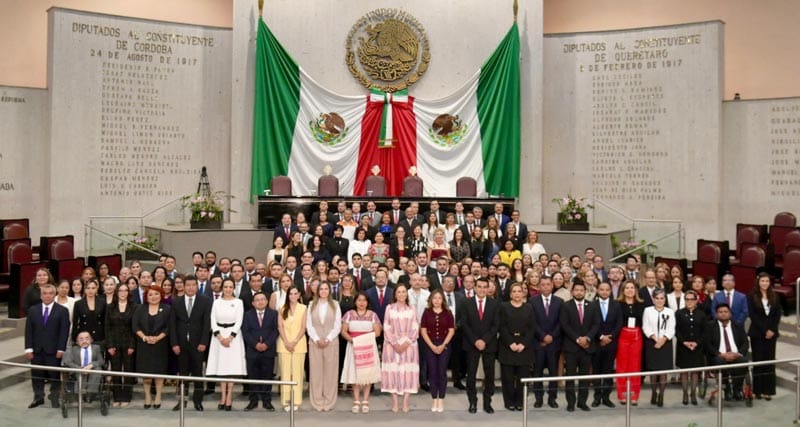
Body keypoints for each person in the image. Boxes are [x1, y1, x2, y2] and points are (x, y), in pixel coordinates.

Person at [170, 275, 212, 412]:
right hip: (181, 345)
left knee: (198, 374)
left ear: (196, 286)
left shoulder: (205, 301)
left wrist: (204, 342)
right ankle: (182, 401)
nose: (190, 288)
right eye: (188, 285)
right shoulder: (176, 301)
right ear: (183, 286)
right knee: (182, 375)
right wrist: (174, 343)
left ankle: (198, 401)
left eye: (193, 285)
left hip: (198, 344)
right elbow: (172, 325)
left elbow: (207, 324)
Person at [25, 283, 70, 409]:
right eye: (45, 293)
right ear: (41, 295)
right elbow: (28, 331)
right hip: (36, 349)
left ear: (54, 294)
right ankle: (38, 397)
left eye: (50, 293)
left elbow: (64, 331)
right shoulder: (33, 310)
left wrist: (61, 348)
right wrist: (28, 348)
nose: (47, 296)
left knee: (54, 375)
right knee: (36, 374)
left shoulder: (62, 311)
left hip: (54, 350)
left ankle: (54, 397)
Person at [207, 278, 247, 411]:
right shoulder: (216, 302)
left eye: (231, 287)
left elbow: (239, 321)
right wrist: (219, 336)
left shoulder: (238, 302)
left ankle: (229, 395)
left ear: (233, 288)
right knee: (221, 367)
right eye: (226, 287)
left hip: (233, 337)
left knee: (231, 368)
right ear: (222, 288)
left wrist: (230, 337)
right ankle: (222, 396)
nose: (228, 289)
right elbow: (212, 319)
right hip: (218, 338)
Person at [560, 281, 600, 412]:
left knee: (584, 378)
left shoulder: (592, 306)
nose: (578, 292)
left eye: (581, 290)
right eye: (576, 290)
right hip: (571, 347)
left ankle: (582, 402)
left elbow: (596, 324)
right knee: (570, 376)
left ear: (585, 292)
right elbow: (565, 325)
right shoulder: (566, 306)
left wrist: (587, 338)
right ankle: (570, 403)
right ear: (572, 292)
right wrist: (577, 339)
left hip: (587, 347)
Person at [340, 292, 382, 414]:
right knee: (355, 372)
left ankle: (365, 400)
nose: (362, 303)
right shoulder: (349, 314)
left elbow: (378, 332)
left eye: (364, 300)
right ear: (355, 302)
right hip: (353, 346)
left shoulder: (373, 315)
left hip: (368, 346)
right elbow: (343, 331)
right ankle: (356, 400)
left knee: (367, 373)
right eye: (359, 300)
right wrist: (353, 340)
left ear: (367, 302)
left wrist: (364, 340)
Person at [463, 277, 500, 414]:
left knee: (489, 375)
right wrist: (475, 341)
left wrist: (484, 340)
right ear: (475, 287)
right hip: (471, 344)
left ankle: (487, 402)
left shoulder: (495, 304)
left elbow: (496, 325)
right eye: (479, 286)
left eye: (485, 287)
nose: (482, 289)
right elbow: (464, 324)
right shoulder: (466, 303)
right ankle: (472, 401)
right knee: (471, 375)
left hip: (489, 344)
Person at [381, 284, 420, 413]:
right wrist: (394, 343)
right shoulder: (389, 308)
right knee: (393, 372)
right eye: (399, 292)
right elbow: (386, 326)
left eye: (404, 292)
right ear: (395, 294)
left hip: (409, 345)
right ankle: (395, 402)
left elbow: (415, 327)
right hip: (392, 345)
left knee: (408, 372)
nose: (402, 294)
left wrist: (406, 342)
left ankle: (405, 402)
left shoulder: (412, 309)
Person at [132, 285, 171, 409]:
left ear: (161, 295)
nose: (153, 297)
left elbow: (169, 327)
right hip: (144, 345)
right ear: (146, 297)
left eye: (156, 294)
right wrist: (144, 337)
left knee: (159, 372)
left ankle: (158, 395)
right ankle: (147, 396)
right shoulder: (140, 308)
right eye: (150, 295)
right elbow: (135, 326)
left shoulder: (167, 309)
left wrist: (157, 338)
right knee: (146, 373)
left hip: (161, 345)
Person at [498, 283, 534, 412]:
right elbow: (501, 326)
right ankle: (509, 402)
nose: (517, 293)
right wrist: (510, 343)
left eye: (519, 291)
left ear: (523, 293)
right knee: (507, 378)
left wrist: (523, 344)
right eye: (514, 291)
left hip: (524, 347)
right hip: (508, 346)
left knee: (522, 377)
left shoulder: (529, 308)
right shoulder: (503, 307)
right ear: (510, 293)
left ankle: (520, 402)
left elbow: (532, 328)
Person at [306, 282, 342, 411]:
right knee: (316, 373)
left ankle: (329, 401)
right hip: (315, 343)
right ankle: (317, 401)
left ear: (329, 291)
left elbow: (337, 325)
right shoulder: (311, 305)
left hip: (331, 343)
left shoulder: (335, 305)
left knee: (331, 373)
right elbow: (309, 325)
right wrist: (316, 339)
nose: (324, 291)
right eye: (321, 288)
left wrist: (327, 339)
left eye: (326, 288)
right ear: (317, 291)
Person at [242, 292, 278, 412]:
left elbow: (275, 331)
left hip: (268, 350)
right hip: (252, 351)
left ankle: (267, 401)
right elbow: (245, 332)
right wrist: (255, 344)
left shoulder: (273, 314)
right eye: (257, 300)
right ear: (253, 303)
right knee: (252, 377)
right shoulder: (247, 315)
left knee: (267, 377)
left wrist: (267, 344)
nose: (260, 302)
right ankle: (253, 401)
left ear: (267, 301)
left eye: (263, 299)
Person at [420, 289, 455, 413]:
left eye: (439, 298)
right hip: (430, 344)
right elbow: (423, 330)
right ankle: (434, 398)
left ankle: (441, 398)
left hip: (444, 345)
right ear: (431, 300)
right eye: (434, 298)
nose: (437, 301)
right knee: (432, 372)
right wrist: (431, 345)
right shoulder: (426, 312)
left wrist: (443, 344)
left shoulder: (448, 312)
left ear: (443, 300)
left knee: (442, 372)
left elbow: (451, 330)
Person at [705, 303, 749, 402]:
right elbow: (708, 344)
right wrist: (720, 354)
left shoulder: (737, 326)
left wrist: (738, 354)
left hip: (735, 355)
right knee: (720, 362)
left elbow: (745, 343)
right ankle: (727, 388)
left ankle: (737, 389)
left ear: (730, 314)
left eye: (725, 312)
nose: (723, 314)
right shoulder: (710, 326)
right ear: (716, 314)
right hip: (718, 356)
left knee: (743, 361)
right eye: (720, 312)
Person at [748, 272, 781, 400]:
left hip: (771, 334)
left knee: (769, 361)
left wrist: (772, 330)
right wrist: (764, 330)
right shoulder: (751, 296)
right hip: (757, 333)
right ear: (758, 282)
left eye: (767, 281)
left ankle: (769, 390)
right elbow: (753, 315)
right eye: (762, 281)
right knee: (758, 361)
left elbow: (777, 314)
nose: (765, 283)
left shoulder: (775, 296)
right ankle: (758, 390)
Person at [104, 281, 137, 407]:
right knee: (116, 371)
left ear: (128, 293)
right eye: (120, 290)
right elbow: (107, 328)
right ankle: (117, 397)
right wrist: (110, 345)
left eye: (125, 290)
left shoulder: (134, 307)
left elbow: (135, 328)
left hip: (129, 343)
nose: (123, 293)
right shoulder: (110, 307)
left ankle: (126, 397)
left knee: (128, 371)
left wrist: (132, 345)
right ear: (117, 292)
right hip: (114, 343)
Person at [642, 289, 675, 407]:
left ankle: (661, 394)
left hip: (665, 343)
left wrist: (663, 340)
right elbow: (645, 327)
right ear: (653, 299)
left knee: (663, 371)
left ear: (665, 299)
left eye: (662, 298)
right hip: (652, 342)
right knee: (653, 371)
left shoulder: (670, 312)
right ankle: (653, 393)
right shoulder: (647, 311)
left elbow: (671, 328)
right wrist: (655, 339)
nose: (659, 300)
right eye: (657, 298)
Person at [592, 282, 622, 408]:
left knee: (608, 371)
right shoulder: (592, 305)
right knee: (597, 371)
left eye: (607, 290)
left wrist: (610, 337)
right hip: (597, 343)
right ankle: (597, 397)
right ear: (598, 290)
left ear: (610, 291)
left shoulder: (616, 305)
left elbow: (619, 323)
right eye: (602, 289)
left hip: (611, 342)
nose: (604, 292)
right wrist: (600, 337)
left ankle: (606, 397)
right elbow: (591, 324)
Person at [277, 287, 307, 411]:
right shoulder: (282, 308)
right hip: (284, 344)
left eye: (295, 293)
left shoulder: (304, 308)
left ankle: (296, 400)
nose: (293, 296)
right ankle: (286, 401)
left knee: (297, 373)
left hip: (298, 344)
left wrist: (294, 342)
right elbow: (280, 327)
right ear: (287, 295)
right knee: (285, 373)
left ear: (299, 295)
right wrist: (287, 342)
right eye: (291, 294)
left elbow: (303, 328)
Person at [615, 280, 645, 404]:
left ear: (635, 290)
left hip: (636, 336)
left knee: (635, 366)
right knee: (622, 366)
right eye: (627, 288)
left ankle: (634, 395)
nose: (629, 290)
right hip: (622, 335)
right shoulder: (617, 304)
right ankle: (621, 394)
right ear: (623, 290)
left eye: (632, 287)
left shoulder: (641, 304)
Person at [675, 290, 706, 405]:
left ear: (696, 300)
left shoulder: (701, 314)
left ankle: (693, 393)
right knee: (684, 371)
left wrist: (697, 343)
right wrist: (685, 342)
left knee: (694, 372)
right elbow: (676, 330)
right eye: (687, 299)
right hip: (683, 347)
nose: (689, 301)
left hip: (697, 347)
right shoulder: (679, 313)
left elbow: (704, 331)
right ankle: (684, 393)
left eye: (691, 299)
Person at [61, 331, 105, 401]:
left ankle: (90, 393)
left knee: (98, 369)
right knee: (78, 372)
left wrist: (91, 365)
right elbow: (68, 362)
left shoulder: (96, 348)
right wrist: (80, 369)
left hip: (92, 370)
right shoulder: (73, 349)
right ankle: (81, 393)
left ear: (91, 340)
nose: (84, 341)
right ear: (77, 342)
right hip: (78, 370)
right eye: (81, 339)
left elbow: (101, 361)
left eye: (87, 338)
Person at [71, 279, 106, 345]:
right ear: (84, 289)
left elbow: (105, 321)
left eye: (93, 288)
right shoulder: (78, 303)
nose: (90, 290)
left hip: (99, 336)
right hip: (84, 337)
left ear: (96, 289)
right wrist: (74, 338)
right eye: (88, 288)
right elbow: (75, 322)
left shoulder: (102, 302)